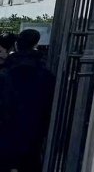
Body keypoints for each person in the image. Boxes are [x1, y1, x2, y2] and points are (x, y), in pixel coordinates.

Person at [0, 28, 56, 172]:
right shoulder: (46, 72)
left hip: (6, 128)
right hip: (34, 128)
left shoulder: (7, 70)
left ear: (17, 45)